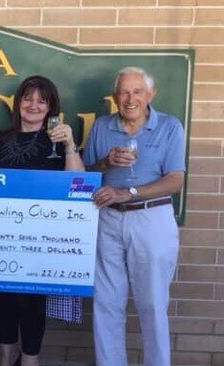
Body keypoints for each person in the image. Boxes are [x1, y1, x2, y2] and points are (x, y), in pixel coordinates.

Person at [83, 67, 185, 366]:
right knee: (107, 304)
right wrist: (105, 162)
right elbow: (85, 175)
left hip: (151, 218)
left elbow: (175, 181)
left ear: (150, 95)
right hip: (108, 218)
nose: (130, 99)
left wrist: (131, 193)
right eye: (124, 92)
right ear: (115, 97)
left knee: (152, 304)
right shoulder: (102, 126)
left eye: (137, 92)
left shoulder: (169, 126)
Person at [0, 75, 84, 366]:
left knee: (33, 300)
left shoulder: (57, 140)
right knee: (2, 296)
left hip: (41, 236)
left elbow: (77, 182)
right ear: (18, 103)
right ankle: (8, 356)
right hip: (0, 233)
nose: (33, 105)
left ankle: (31, 359)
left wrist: (69, 146)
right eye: (28, 99)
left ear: (51, 108)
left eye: (41, 101)